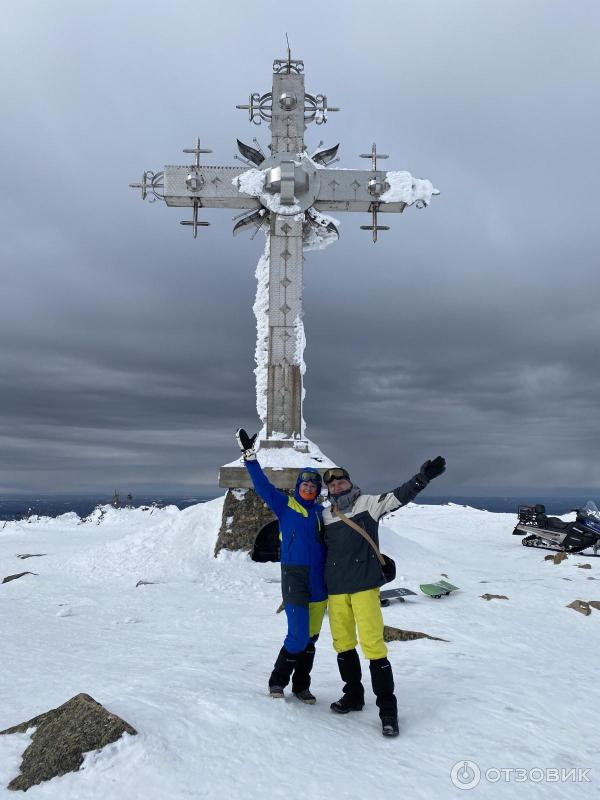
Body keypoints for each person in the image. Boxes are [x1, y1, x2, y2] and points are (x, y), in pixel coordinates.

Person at [321, 457, 446, 737]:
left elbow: (399, 496)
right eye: (332, 483)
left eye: (341, 480)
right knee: (343, 644)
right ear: (329, 490)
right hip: (336, 590)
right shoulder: (325, 515)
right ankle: (353, 695)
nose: (338, 484)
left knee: (373, 646)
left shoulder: (368, 504)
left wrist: (421, 478)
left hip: (364, 586)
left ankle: (388, 710)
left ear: (350, 482)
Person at [235, 428, 328, 703]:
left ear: (318, 490)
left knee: (311, 639)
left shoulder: (324, 514)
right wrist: (250, 458)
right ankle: (277, 682)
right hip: (295, 579)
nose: (309, 488)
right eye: (305, 484)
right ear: (298, 486)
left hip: (319, 583)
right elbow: (263, 486)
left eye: (313, 486)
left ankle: (301, 686)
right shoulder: (286, 505)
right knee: (298, 636)